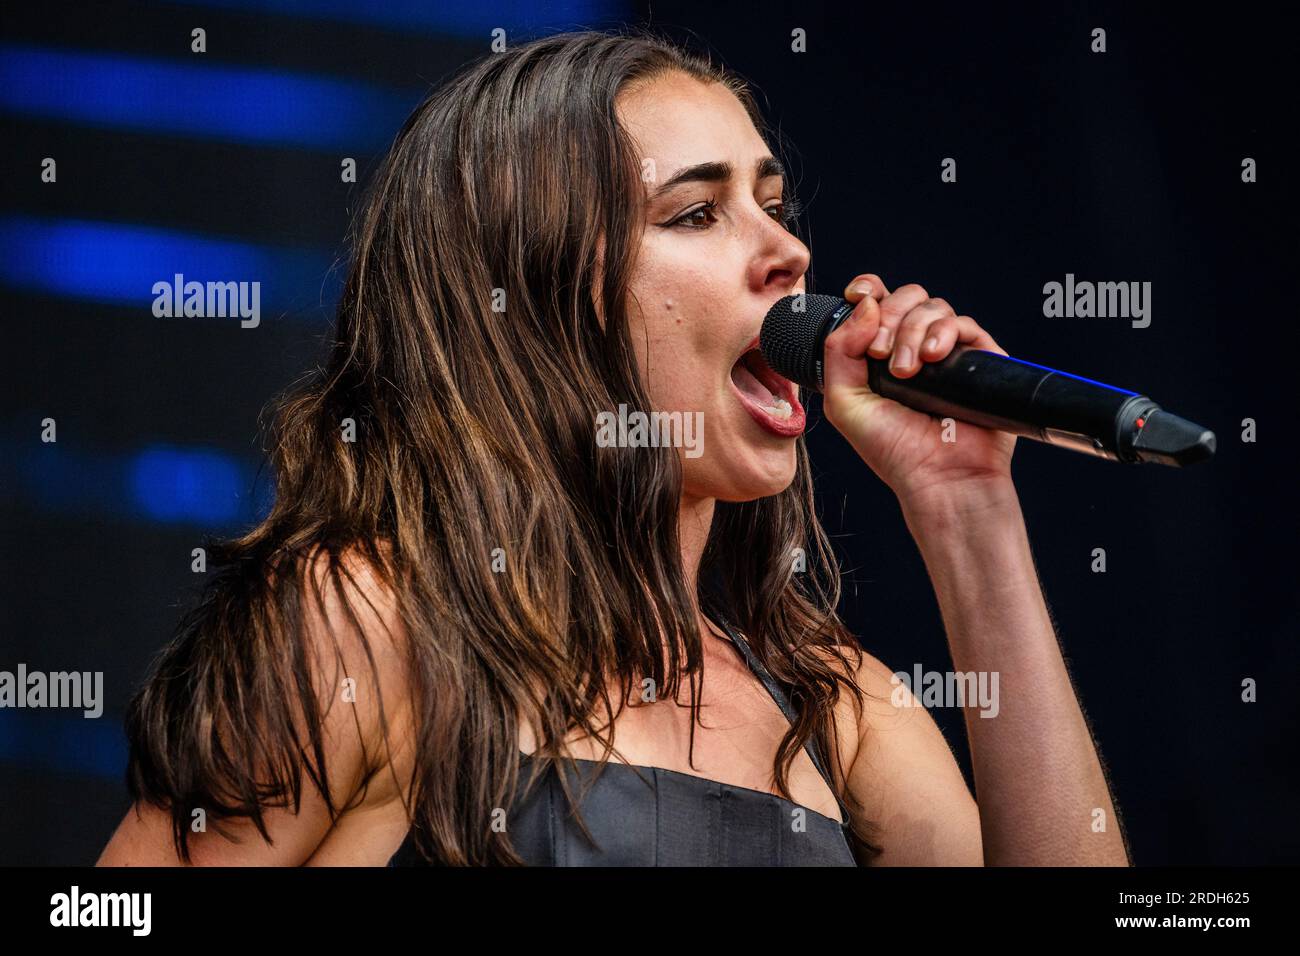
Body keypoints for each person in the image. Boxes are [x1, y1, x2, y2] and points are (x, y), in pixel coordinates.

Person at [97, 29, 1130, 867]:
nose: (789, 252)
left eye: (772, 204)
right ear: (530, 302)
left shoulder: (832, 700)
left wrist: (968, 513)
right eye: (696, 212)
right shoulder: (369, 622)